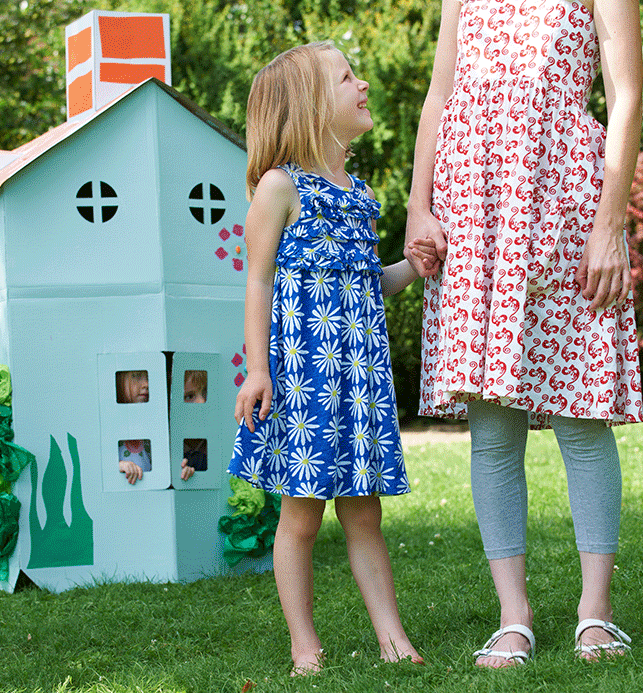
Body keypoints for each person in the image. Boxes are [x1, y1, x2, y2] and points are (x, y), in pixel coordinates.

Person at [404, 0, 643, 667]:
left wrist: (609, 222)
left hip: (563, 193)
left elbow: (626, 96)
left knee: (581, 411)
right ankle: (514, 617)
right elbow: (439, 93)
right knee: (493, 426)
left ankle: (596, 613)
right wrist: (418, 205)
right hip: (474, 202)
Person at [227, 41, 437, 675]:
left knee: (365, 514)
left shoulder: (361, 194)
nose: (363, 83)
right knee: (300, 519)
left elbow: (367, 281)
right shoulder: (279, 188)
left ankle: (392, 639)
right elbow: (257, 281)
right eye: (347, 78)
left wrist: (414, 268)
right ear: (311, 106)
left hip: (360, 381)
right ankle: (304, 645)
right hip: (306, 378)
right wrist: (258, 369)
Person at [115, 370, 152, 485]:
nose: (146, 384)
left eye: (148, 377)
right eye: (136, 376)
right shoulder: (112, 423)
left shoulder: (153, 421)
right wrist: (119, 465)